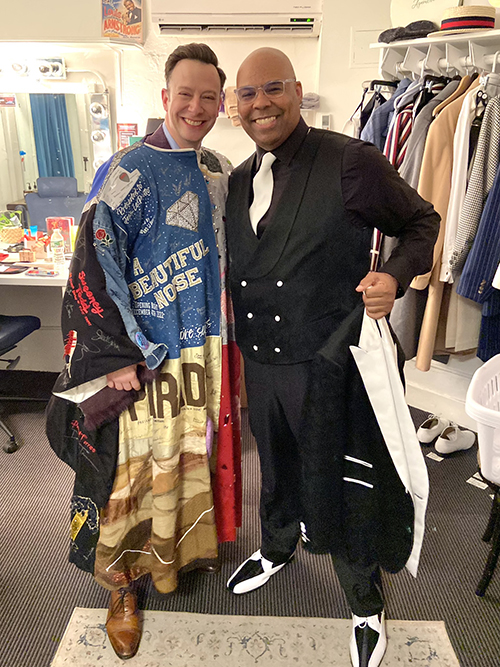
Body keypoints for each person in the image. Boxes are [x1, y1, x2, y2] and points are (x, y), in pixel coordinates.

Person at [224, 47, 440, 667]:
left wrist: (395, 277)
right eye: (248, 94)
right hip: (261, 361)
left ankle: (366, 604)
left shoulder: (351, 160)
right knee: (276, 463)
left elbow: (423, 223)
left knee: (343, 480)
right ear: (236, 108)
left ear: (297, 90)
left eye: (272, 89)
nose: (260, 103)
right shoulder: (240, 179)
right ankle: (278, 546)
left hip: (327, 362)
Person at [46, 43, 241, 661]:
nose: (197, 106)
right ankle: (122, 588)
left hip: (200, 355)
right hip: (144, 359)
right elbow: (92, 266)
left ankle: (174, 557)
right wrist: (116, 356)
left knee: (185, 461)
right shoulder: (125, 171)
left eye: (209, 96)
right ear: (164, 97)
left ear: (221, 103)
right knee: (128, 477)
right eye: (185, 94)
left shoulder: (218, 171)